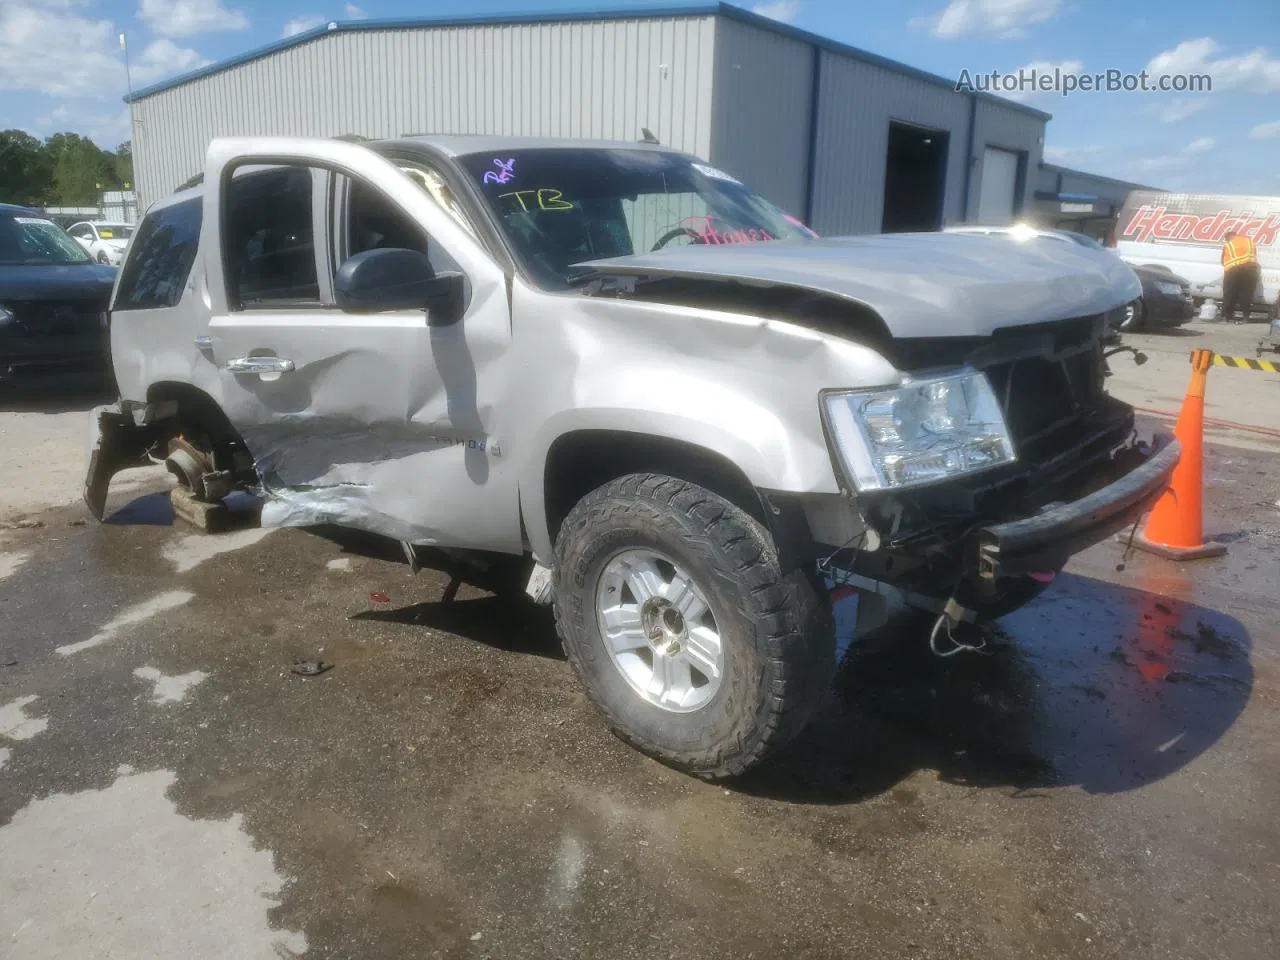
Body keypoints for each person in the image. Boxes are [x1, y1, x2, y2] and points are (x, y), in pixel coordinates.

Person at [1220, 229, 1260, 323]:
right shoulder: (1249, 242)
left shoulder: (1228, 245)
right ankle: (1246, 317)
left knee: (1229, 294)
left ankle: (1226, 316)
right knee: (1246, 294)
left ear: (1228, 237)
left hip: (1233, 271)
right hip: (1250, 271)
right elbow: (1254, 255)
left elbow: (1222, 260)